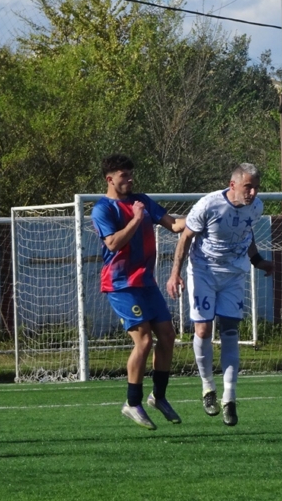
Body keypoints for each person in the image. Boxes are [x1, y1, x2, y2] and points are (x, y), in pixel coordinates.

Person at [166, 163, 273, 427]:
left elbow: (246, 234)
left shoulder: (256, 207)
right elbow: (185, 237)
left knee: (230, 332)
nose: (253, 192)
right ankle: (207, 388)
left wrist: (258, 260)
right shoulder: (208, 205)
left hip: (234, 274)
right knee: (203, 330)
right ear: (233, 184)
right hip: (203, 272)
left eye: (256, 188)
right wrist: (175, 273)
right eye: (249, 186)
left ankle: (229, 398)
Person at [91, 154, 185, 430]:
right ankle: (132, 402)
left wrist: (202, 215)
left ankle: (159, 396)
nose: (130, 180)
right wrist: (136, 219)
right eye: (124, 176)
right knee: (143, 341)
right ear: (110, 179)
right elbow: (113, 244)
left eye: (132, 175)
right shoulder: (102, 209)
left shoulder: (141, 199)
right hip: (120, 285)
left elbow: (175, 225)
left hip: (146, 282)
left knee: (168, 336)